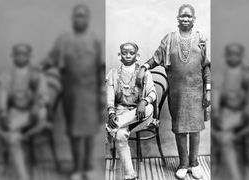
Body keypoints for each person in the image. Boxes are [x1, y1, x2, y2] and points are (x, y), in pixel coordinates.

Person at [136, 4, 211, 179]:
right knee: (180, 129)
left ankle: (194, 163)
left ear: (194, 19)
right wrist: (144, 67)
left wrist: (208, 90)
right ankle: (183, 164)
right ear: (177, 18)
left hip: (197, 91)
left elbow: (206, 67)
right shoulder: (169, 39)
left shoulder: (201, 39)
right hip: (177, 92)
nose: (186, 19)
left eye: (189, 16)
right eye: (182, 16)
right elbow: (156, 58)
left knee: (195, 130)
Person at [41, 4, 104, 180]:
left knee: (90, 133)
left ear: (88, 19)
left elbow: (100, 68)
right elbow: (51, 58)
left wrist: (101, 93)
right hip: (72, 94)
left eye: (83, 16)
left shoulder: (95, 39)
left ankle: (88, 167)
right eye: (77, 16)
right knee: (75, 133)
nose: (80, 19)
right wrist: (37, 69)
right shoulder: (64, 39)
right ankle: (77, 169)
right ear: (72, 19)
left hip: (91, 92)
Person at [106, 42, 157, 180]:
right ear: (119, 55)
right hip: (121, 113)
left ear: (137, 56)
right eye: (124, 52)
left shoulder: (144, 73)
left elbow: (153, 93)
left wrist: (143, 102)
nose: (128, 55)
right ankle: (130, 175)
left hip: (140, 116)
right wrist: (111, 113)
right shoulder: (113, 73)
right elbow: (110, 98)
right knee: (120, 135)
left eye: (131, 53)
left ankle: (113, 127)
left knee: (150, 107)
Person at [0, 43, 50, 180]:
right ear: (13, 56)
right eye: (18, 54)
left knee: (41, 113)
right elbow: (2, 93)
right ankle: (23, 176)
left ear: (29, 56)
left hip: (33, 113)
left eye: (24, 54)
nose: (21, 57)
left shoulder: (37, 74)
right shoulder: (6, 74)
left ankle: (6, 134)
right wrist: (3, 112)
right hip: (15, 112)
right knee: (13, 137)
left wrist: (37, 105)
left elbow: (45, 96)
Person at [213, 43, 249, 180]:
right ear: (226, 55)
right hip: (228, 112)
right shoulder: (220, 75)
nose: (233, 57)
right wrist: (216, 111)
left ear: (241, 56)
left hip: (245, 113)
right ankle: (236, 176)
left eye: (237, 54)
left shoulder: (248, 74)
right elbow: (215, 96)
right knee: (224, 137)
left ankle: (231, 134)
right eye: (230, 53)